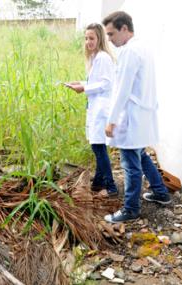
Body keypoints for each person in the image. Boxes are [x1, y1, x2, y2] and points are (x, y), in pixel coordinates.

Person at [101, 11, 171, 223]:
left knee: (131, 164)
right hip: (143, 114)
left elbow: (122, 90)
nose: (110, 40)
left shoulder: (129, 52)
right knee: (140, 154)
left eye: (112, 34)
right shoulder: (144, 47)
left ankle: (131, 208)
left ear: (124, 29)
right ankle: (161, 193)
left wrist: (111, 120)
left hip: (131, 116)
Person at [64, 23, 118, 197]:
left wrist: (84, 89)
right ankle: (98, 182)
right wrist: (81, 84)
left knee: (98, 146)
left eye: (92, 38)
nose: (88, 41)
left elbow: (107, 83)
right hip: (97, 106)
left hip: (102, 108)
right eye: (86, 38)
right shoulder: (96, 57)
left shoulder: (102, 57)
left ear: (100, 38)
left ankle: (111, 186)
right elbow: (98, 81)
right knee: (98, 145)